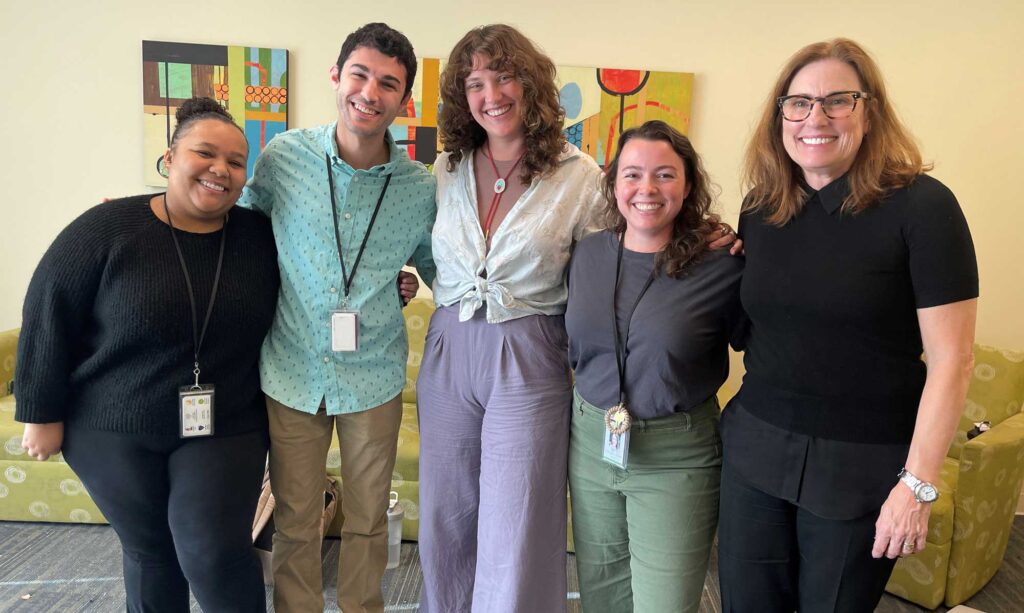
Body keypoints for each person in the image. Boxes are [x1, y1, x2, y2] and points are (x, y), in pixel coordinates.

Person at [717, 38, 978, 612]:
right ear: (779, 114)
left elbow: (953, 361)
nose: (816, 117)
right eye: (800, 102)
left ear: (870, 111)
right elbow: (753, 328)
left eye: (839, 100)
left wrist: (917, 485)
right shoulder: (762, 207)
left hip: (860, 467)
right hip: (755, 451)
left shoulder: (924, 209)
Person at [17, 97, 279, 612]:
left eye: (235, 162)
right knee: (152, 552)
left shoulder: (261, 238)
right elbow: (48, 313)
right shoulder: (106, 228)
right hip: (110, 424)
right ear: (170, 159)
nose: (220, 170)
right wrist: (40, 413)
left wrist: (392, 285)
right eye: (205, 153)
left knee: (215, 552)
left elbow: (324, 281)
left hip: (224, 423)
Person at [237, 22, 434, 613]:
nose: (370, 93)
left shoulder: (418, 187)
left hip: (372, 375)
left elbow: (442, 267)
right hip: (291, 369)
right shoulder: (284, 158)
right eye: (361, 74)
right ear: (337, 75)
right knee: (296, 516)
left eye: (389, 83)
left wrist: (406, 281)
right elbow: (239, 237)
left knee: (369, 516)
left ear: (404, 100)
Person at [565, 120, 743, 613]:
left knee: (662, 604)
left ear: (688, 187)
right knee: (603, 597)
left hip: (677, 455)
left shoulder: (722, 265)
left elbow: (769, 342)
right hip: (590, 443)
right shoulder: (588, 253)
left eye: (665, 175)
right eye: (632, 175)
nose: (646, 189)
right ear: (614, 183)